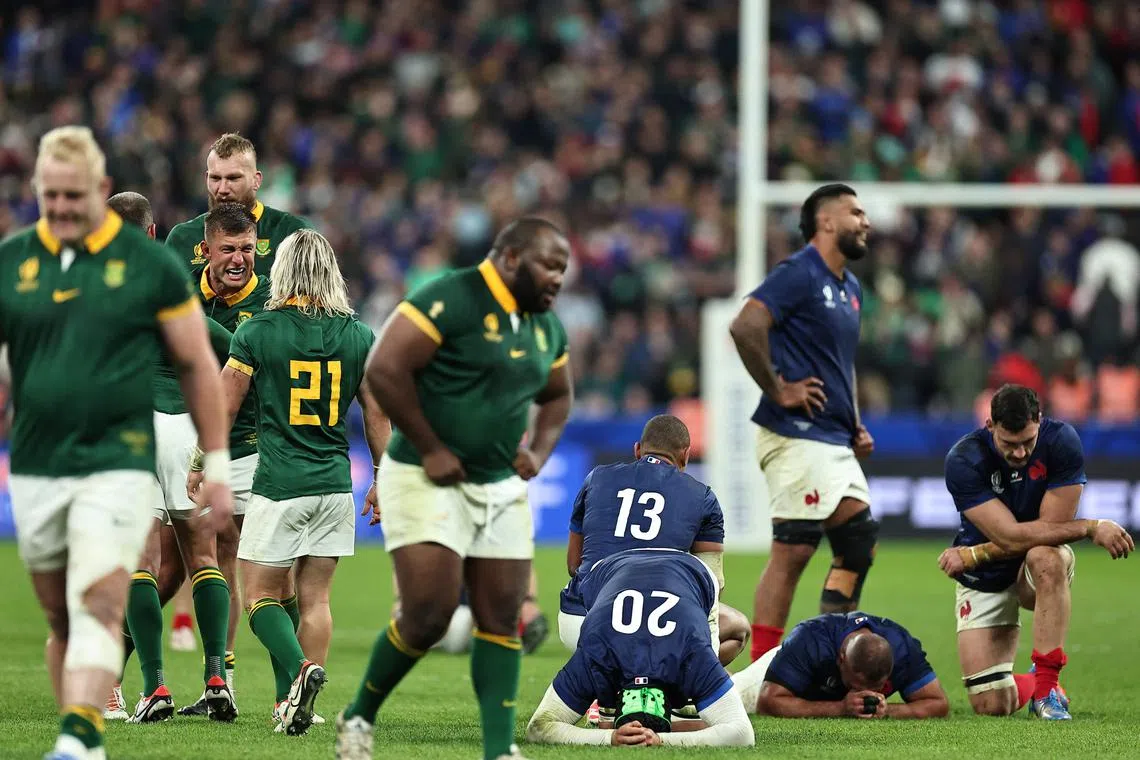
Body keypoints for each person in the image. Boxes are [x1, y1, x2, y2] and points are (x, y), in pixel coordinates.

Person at [1, 126, 232, 760]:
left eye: (74, 196)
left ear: (100, 191)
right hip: (40, 464)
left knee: (106, 599)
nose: (62, 209)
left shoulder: (151, 267)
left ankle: (78, 740)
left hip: (119, 459)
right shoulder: (13, 263)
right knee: (62, 618)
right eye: (50, 196)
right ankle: (86, 734)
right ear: (36, 191)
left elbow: (196, 362)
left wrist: (214, 460)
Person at [336, 217, 574, 760]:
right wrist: (431, 445)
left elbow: (559, 396)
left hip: (499, 484)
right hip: (422, 475)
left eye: (563, 268)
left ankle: (498, 750)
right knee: (428, 614)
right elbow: (384, 369)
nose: (558, 278)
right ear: (511, 258)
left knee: (501, 616)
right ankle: (359, 715)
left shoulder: (544, 325)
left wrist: (537, 450)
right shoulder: (452, 296)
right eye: (550, 265)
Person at [188, 228, 389, 736]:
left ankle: (302, 673)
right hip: (335, 485)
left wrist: (199, 460)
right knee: (315, 598)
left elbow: (224, 406)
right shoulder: (359, 334)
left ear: (282, 270)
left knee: (258, 597)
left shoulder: (257, 331)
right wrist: (383, 477)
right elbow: (378, 417)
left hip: (279, 483)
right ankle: (294, 703)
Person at [729, 183, 877, 663]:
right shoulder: (799, 273)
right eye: (856, 212)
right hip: (795, 435)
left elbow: (841, 364)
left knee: (856, 546)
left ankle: (835, 655)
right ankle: (762, 670)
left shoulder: (850, 288)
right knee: (794, 551)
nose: (866, 221)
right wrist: (779, 389)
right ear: (827, 221)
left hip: (832, 435)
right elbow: (745, 325)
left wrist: (854, 421)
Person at [938, 384, 1133, 720]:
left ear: (1040, 421)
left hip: (1033, 569)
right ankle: (1033, 679)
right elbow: (1012, 538)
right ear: (990, 427)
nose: (1019, 453)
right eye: (1009, 444)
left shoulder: (1061, 442)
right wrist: (1090, 528)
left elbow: (1049, 529)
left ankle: (1046, 691)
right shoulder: (964, 459)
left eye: (1027, 441)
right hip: (983, 576)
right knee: (991, 705)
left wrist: (972, 553)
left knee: (1046, 556)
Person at [558, 413, 749, 668]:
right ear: (686, 455)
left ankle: (605, 682)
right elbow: (712, 586)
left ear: (637, 449)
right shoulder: (702, 497)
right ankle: (672, 692)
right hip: (656, 623)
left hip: (580, 622)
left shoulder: (596, 478)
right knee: (738, 628)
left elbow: (574, 565)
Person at [525, 548, 754, 747]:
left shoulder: (598, 654)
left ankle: (699, 698)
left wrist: (611, 738)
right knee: (733, 635)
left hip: (652, 571)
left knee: (720, 645)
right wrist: (659, 740)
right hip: (637, 571)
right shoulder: (691, 655)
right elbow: (741, 733)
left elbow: (539, 727)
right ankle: (706, 696)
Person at [730, 611, 949, 719]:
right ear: (841, 658)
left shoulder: (903, 648)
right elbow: (768, 702)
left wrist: (888, 710)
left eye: (876, 689)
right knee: (727, 696)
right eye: (856, 685)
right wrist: (840, 708)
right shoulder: (810, 640)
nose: (865, 693)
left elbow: (938, 703)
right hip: (783, 672)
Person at [165, 133, 307, 275]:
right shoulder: (182, 239)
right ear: (206, 178)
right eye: (215, 178)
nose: (223, 189)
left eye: (233, 178)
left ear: (256, 180)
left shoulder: (292, 233)